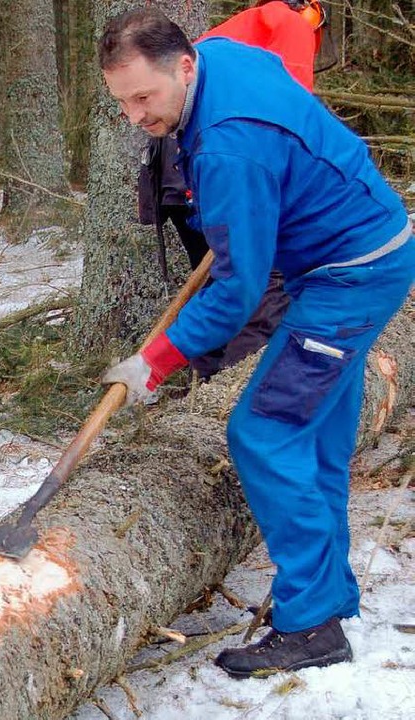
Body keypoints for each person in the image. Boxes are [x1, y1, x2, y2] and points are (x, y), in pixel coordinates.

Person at [99, 9, 414, 679]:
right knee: (316, 432)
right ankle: (324, 594)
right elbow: (271, 33)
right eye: (122, 101)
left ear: (183, 67)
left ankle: (310, 625)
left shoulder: (224, 147)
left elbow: (240, 290)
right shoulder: (218, 54)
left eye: (143, 98)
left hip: (348, 278)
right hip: (368, 250)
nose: (134, 116)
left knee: (263, 430)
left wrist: (153, 362)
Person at [137, 0, 328, 379]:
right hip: (212, 161)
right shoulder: (290, 23)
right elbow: (293, 113)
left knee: (225, 284)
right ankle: (225, 392)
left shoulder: (245, 29)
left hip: (180, 164)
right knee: (267, 282)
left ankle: (205, 382)